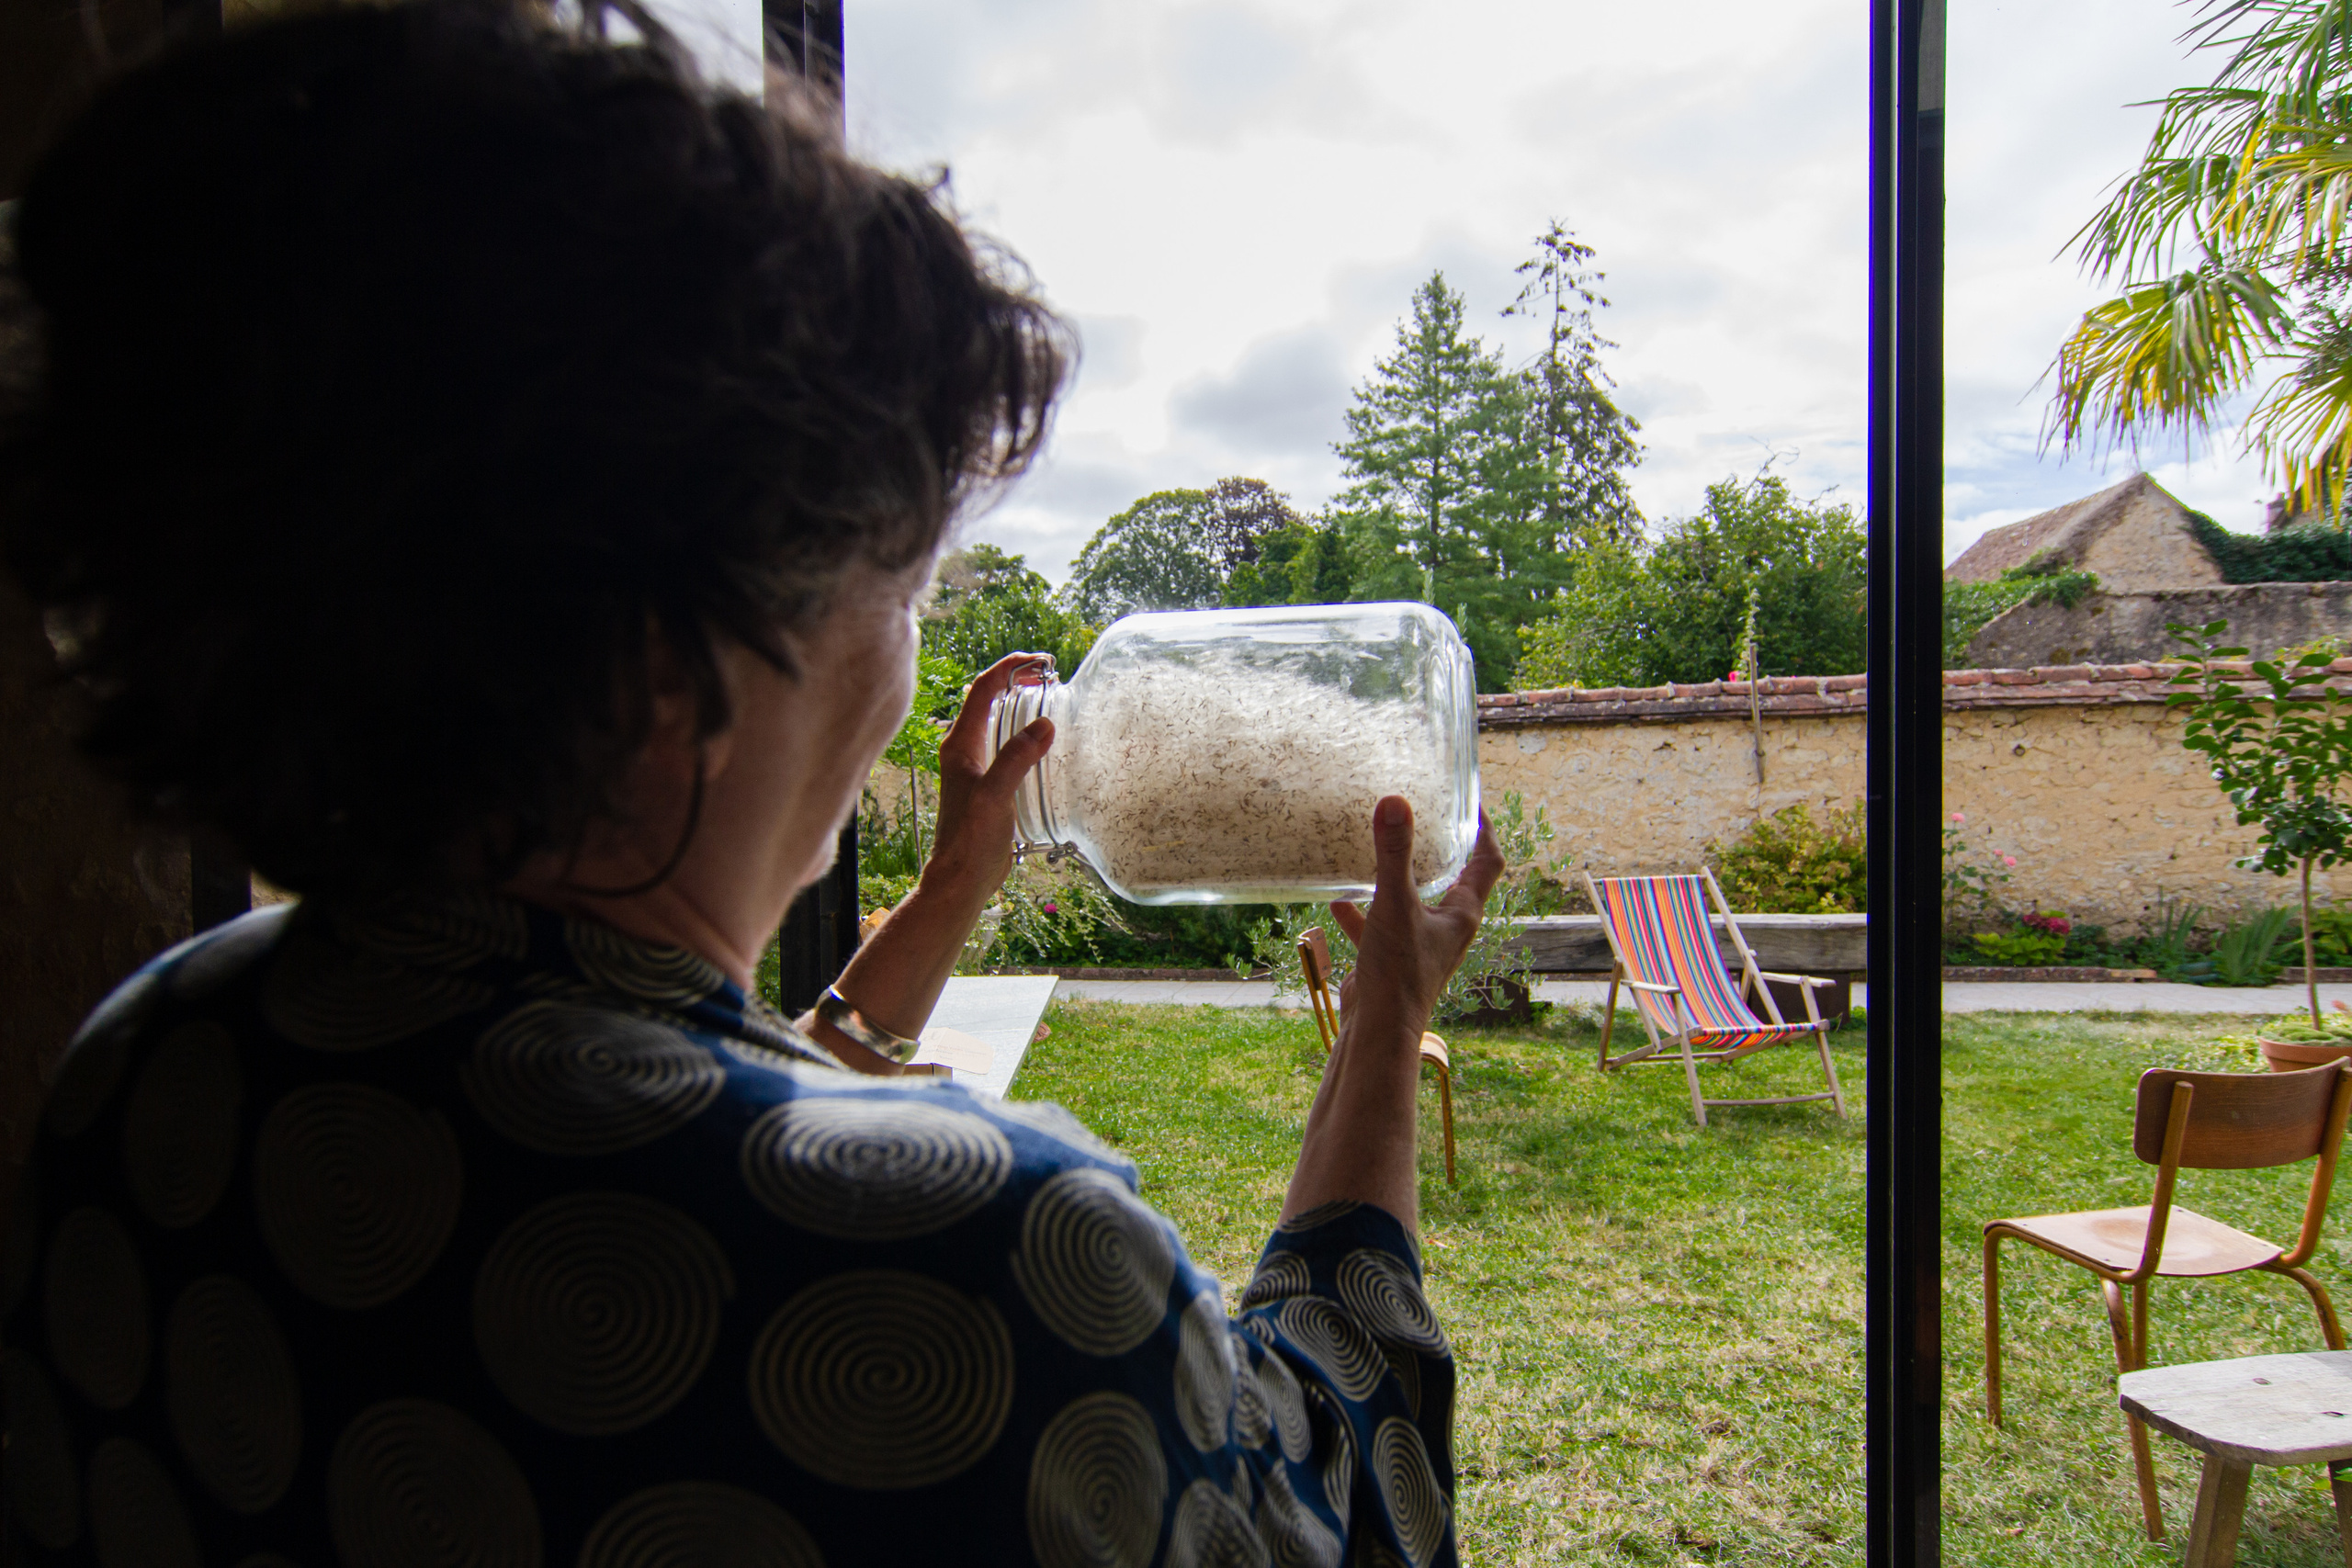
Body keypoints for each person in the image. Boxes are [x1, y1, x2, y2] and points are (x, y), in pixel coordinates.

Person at [0, 4, 1505, 1565]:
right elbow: (1344, 1509)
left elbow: (640, 1109)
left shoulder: (146, 1068)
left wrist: (940, 908)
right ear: (686, 663)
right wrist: (1387, 1017)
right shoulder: (1000, 1271)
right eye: (901, 583)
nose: (909, 652)